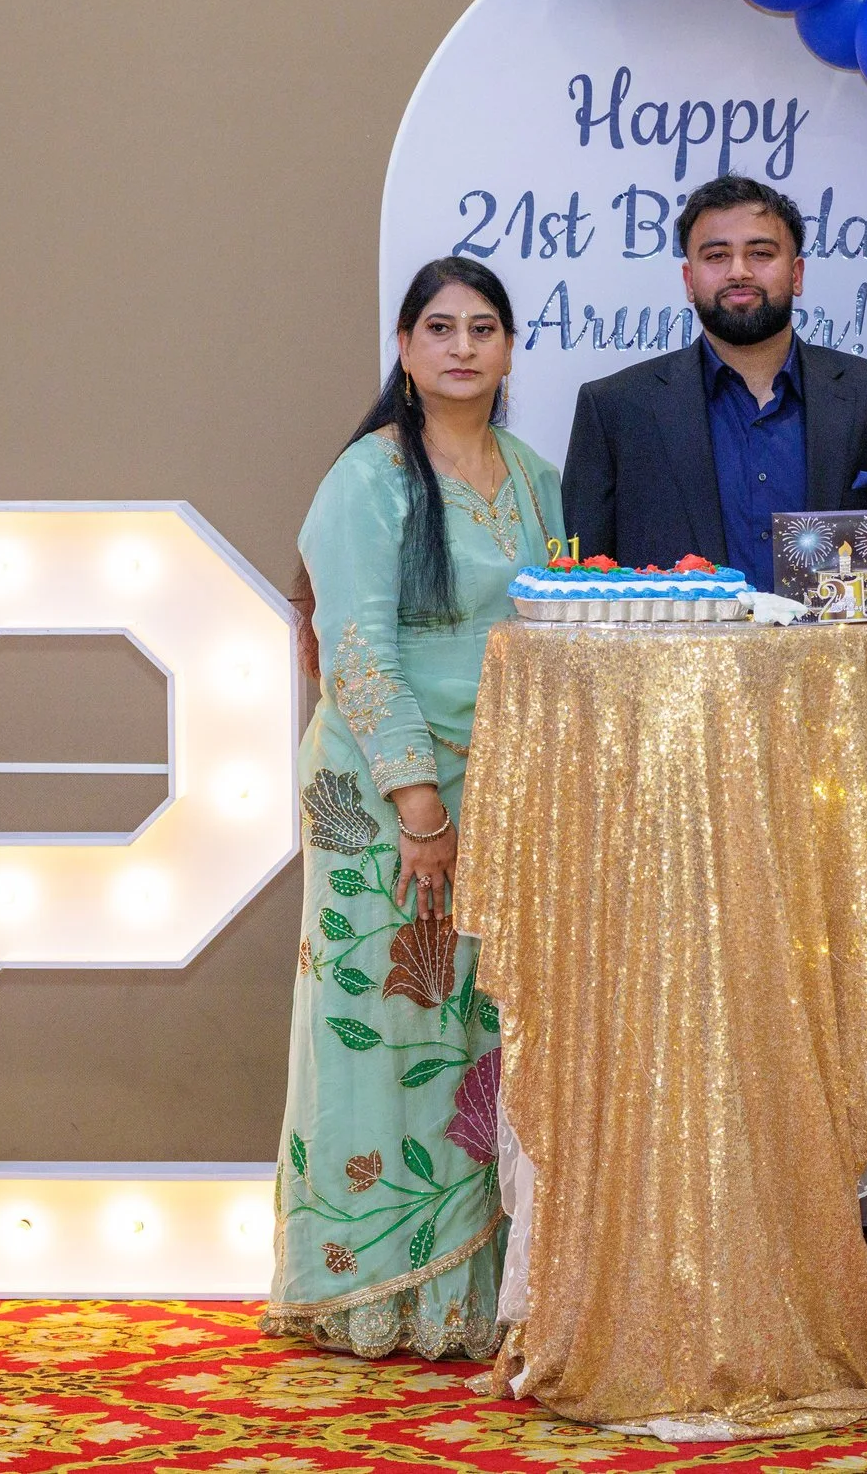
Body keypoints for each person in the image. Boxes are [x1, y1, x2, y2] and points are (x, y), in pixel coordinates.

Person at [263, 257, 562, 1361]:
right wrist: (419, 805)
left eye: (484, 328)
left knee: (478, 1033)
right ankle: (366, 1286)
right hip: (383, 791)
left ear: (510, 349)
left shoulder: (533, 479)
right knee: (383, 1021)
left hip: (503, 786)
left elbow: (552, 634)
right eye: (438, 327)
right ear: (403, 347)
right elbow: (359, 651)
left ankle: (470, 1287)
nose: (462, 347)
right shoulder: (369, 478)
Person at [561, 174, 867, 582]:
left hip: (837, 647)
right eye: (716, 256)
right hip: (675, 647)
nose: (739, 272)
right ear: (689, 281)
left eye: (761, 253)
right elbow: (585, 587)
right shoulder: (614, 408)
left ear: (797, 273)